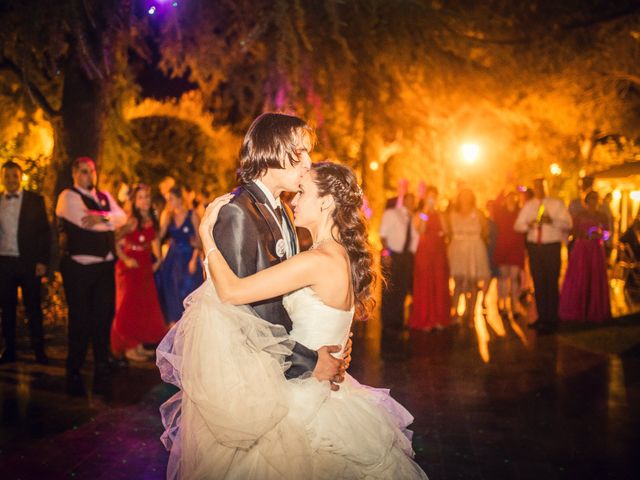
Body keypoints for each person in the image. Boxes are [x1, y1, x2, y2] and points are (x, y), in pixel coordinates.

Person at [156, 162, 428, 479]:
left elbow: (232, 291)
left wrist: (207, 237)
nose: (293, 200)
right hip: (326, 387)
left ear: (326, 201)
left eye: (302, 192)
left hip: (302, 399)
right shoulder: (337, 255)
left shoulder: (317, 260)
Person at [56, 157, 127, 395]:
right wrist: (107, 219)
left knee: (103, 315)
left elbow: (123, 218)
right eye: (84, 172)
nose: (89, 175)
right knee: (80, 318)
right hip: (79, 267)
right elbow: (87, 223)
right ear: (75, 174)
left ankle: (101, 363)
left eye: (92, 171)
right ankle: (73, 367)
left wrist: (103, 217)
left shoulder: (105, 196)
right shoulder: (68, 197)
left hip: (104, 266)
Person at [0, 160, 51, 364]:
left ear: (20, 177)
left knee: (33, 308)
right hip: (4, 263)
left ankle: (39, 351)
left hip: (29, 262)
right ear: (2, 178)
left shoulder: (34, 200)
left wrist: (42, 261)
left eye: (14, 175)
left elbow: (44, 233)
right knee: (7, 309)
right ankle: (10, 350)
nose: (11, 179)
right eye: (7, 176)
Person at [110, 184, 167, 362]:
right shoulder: (132, 220)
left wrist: (158, 261)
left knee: (142, 306)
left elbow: (155, 243)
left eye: (147, 197)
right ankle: (128, 347)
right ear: (134, 201)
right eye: (140, 197)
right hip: (130, 264)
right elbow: (114, 239)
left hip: (144, 264)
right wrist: (126, 259)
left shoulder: (152, 218)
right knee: (128, 306)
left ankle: (139, 345)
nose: (144, 200)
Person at [514, 178, 572, 334]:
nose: (539, 189)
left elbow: (568, 224)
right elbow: (518, 225)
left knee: (551, 281)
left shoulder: (556, 204)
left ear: (546, 187)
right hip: (535, 247)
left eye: (542, 186)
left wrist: (552, 221)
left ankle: (552, 317)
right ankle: (542, 317)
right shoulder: (529, 205)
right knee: (538, 282)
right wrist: (529, 224)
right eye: (536, 187)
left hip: (551, 246)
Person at [559, 191, 611, 322]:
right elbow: (572, 231)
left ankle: (595, 309)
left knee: (595, 277)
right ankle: (578, 308)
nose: (594, 202)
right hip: (582, 249)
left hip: (596, 250)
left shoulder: (602, 216)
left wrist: (601, 235)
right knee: (581, 276)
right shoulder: (579, 215)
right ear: (586, 201)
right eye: (591, 199)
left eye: (596, 199)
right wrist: (584, 235)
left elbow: (607, 233)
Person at [155, 186, 203, 324]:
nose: (168, 202)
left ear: (180, 199)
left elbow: (200, 243)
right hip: (172, 259)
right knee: (172, 292)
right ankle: (174, 327)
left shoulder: (192, 214)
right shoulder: (168, 216)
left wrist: (194, 258)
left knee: (188, 292)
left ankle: (191, 327)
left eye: (171, 199)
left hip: (188, 258)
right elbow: (159, 236)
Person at [380, 191, 419, 358]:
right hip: (393, 254)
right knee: (390, 288)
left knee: (402, 288)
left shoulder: (413, 218)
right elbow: (383, 235)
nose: (411, 202)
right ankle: (388, 322)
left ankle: (398, 320)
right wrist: (386, 254)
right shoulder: (392, 214)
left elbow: (415, 238)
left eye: (414, 200)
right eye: (409, 199)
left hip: (406, 256)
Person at [409, 186, 450, 331]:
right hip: (425, 251)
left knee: (439, 282)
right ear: (425, 198)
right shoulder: (420, 214)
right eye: (429, 197)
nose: (432, 199)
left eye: (434, 197)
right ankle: (425, 318)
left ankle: (439, 318)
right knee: (425, 283)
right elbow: (421, 230)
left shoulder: (441, 214)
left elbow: (446, 231)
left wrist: (438, 213)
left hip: (438, 251)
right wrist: (426, 211)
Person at [447, 187, 490, 324]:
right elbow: (448, 232)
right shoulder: (452, 214)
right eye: (462, 195)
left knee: (472, 282)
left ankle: (470, 312)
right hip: (458, 249)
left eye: (468, 195)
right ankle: (454, 312)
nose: (465, 198)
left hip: (474, 249)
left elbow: (485, 231)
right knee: (458, 282)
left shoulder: (478, 213)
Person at [493, 191, 526, 319]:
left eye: (514, 197)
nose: (511, 199)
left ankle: (514, 305)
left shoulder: (521, 212)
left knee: (514, 277)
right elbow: (495, 204)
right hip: (503, 247)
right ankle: (502, 305)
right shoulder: (500, 212)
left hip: (516, 248)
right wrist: (504, 189)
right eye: (509, 197)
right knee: (503, 277)